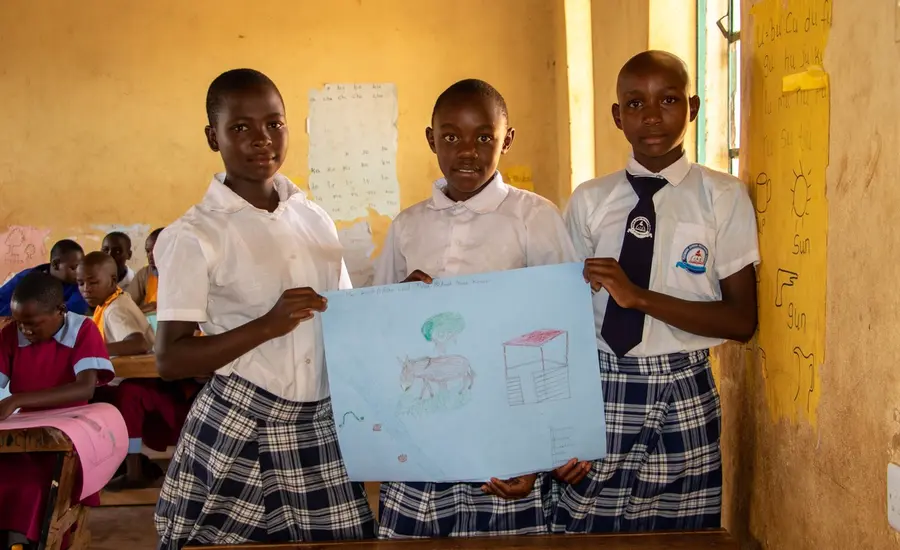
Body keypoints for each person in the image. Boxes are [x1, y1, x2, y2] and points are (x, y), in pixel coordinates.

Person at [152, 68, 374, 549]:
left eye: (274, 123)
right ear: (213, 137)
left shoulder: (313, 217)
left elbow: (346, 315)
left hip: (318, 423)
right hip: (240, 423)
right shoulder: (194, 235)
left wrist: (408, 302)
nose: (262, 139)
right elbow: (170, 359)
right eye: (241, 127)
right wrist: (267, 326)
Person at [552, 50, 759, 533]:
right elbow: (561, 319)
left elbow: (741, 321)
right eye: (635, 103)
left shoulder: (722, 197)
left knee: (680, 533)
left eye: (667, 100)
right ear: (616, 115)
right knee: (584, 526)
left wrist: (638, 297)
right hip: (600, 385)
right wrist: (560, 425)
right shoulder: (590, 200)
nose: (651, 116)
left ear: (693, 107)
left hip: (683, 388)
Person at [373, 78, 583, 539]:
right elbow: (379, 326)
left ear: (507, 140)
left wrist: (541, 448)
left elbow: (563, 330)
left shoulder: (535, 218)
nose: (467, 151)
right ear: (431, 140)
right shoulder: (407, 226)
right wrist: (399, 301)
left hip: (507, 435)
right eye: (451, 136)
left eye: (484, 137)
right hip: (422, 434)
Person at [0, 272, 115, 549]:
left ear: (60, 310)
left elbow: (84, 388)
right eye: (20, 323)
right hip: (27, 431)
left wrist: (16, 399)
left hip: (69, 431)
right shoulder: (11, 335)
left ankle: (29, 540)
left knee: (41, 486)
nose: (25, 330)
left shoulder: (83, 330)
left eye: (33, 324)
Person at [0, 239, 88, 316]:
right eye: (73, 268)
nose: (79, 272)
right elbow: (2, 298)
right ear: (56, 264)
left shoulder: (79, 286)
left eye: (81, 267)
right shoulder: (27, 276)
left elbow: (73, 309)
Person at [126, 228, 164, 313]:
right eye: (148, 251)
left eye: (155, 250)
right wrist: (143, 309)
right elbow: (126, 305)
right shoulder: (144, 274)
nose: (150, 255)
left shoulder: (183, 275)